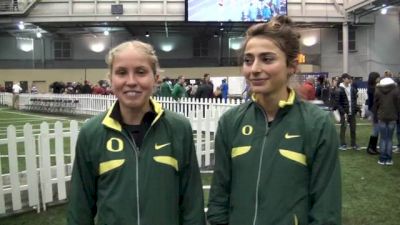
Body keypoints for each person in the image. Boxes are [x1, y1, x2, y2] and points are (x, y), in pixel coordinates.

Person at [207, 16, 341, 225]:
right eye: (248, 60)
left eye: (267, 59)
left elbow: (326, 209)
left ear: (292, 66)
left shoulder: (317, 124)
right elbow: (219, 197)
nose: (254, 69)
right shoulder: (231, 122)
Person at [67, 40, 206, 225]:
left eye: (141, 72)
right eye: (121, 72)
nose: (131, 82)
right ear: (110, 79)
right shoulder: (91, 132)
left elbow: (192, 202)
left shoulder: (178, 128)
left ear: (156, 78)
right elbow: (80, 207)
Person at [372, 77, 400, 165]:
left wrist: (375, 117)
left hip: (382, 117)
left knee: (383, 139)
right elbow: (398, 106)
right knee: (389, 139)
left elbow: (375, 106)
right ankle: (389, 159)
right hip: (392, 117)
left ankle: (382, 158)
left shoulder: (377, 91)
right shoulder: (396, 91)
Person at [336, 73, 359, 151]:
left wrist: (355, 109)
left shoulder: (352, 88)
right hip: (344, 113)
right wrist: (343, 112)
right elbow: (338, 103)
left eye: (350, 78)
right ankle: (342, 144)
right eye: (348, 78)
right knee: (343, 128)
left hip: (351, 112)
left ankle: (353, 143)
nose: (349, 80)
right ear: (343, 79)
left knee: (353, 128)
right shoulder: (339, 89)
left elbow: (354, 100)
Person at [366, 72, 381, 154]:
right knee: (375, 129)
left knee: (376, 129)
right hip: (373, 110)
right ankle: (371, 148)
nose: (379, 79)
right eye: (378, 77)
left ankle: (373, 148)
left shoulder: (372, 87)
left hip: (373, 109)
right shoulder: (373, 88)